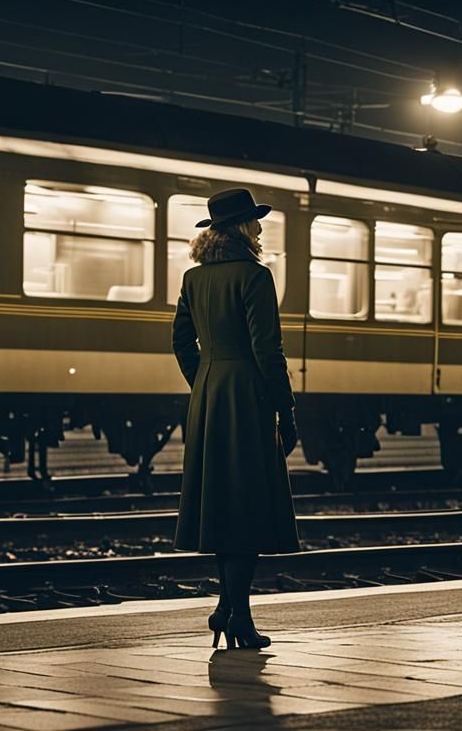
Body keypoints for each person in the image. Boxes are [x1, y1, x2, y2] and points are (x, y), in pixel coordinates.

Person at [172, 188, 300, 650]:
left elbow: (181, 342)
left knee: (223, 507)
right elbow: (268, 350)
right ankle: (237, 617)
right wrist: (285, 408)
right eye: (255, 221)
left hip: (209, 398)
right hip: (247, 398)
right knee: (248, 507)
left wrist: (205, 380)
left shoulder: (193, 279)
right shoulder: (255, 276)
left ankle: (228, 610)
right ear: (242, 228)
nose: (260, 228)